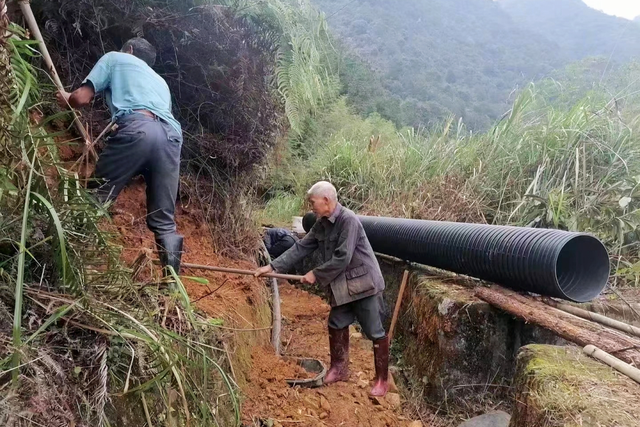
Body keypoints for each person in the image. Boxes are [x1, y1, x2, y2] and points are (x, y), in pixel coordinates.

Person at [57, 37, 184, 275]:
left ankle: (66, 267)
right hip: (172, 137)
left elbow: (81, 98)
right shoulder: (160, 81)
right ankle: (173, 292)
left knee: (95, 199)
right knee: (164, 222)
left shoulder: (115, 58)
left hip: (137, 128)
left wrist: (66, 98)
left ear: (130, 49)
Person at [255, 181, 389, 397]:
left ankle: (382, 380)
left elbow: (343, 257)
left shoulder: (349, 220)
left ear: (326, 200)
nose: (311, 207)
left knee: (375, 331)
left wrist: (316, 274)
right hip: (342, 285)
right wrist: (272, 266)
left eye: (312, 202)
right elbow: (301, 247)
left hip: (364, 284)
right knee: (336, 323)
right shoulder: (322, 223)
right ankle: (339, 369)